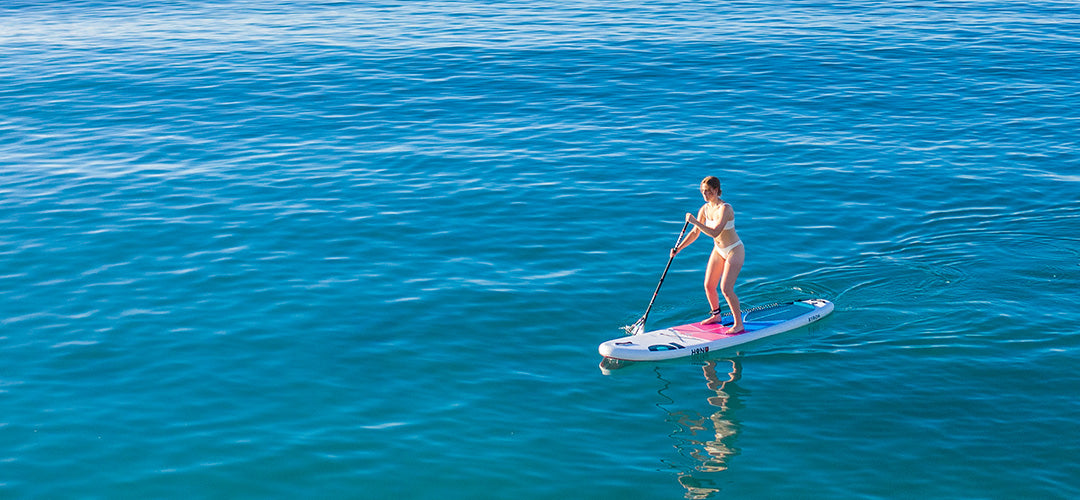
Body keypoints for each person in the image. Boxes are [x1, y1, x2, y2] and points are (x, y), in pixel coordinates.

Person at [670, 176, 744, 332]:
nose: (705, 195)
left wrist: (695, 221)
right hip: (719, 250)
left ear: (716, 191)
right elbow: (695, 233)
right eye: (702, 191)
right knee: (709, 285)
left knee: (726, 288)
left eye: (708, 192)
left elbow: (715, 231)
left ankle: (738, 324)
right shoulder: (704, 209)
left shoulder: (725, 209)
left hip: (734, 250)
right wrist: (678, 249)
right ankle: (716, 315)